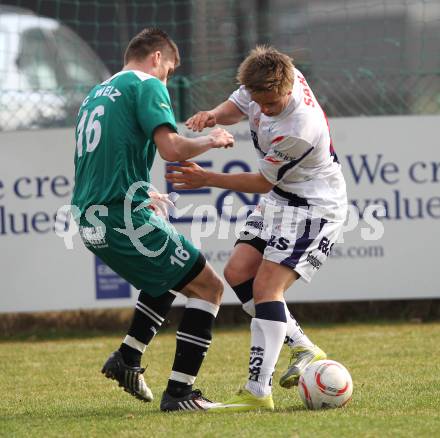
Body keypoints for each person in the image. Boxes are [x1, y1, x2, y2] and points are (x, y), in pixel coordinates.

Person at [166, 46, 347, 411]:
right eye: (259, 102)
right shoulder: (267, 81)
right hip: (283, 198)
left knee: (267, 286)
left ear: (287, 87)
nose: (264, 110)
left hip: (313, 207)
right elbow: (240, 103)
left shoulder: (299, 126)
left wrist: (206, 178)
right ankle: (302, 346)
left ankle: (257, 391)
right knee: (238, 271)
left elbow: (262, 181)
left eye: (271, 105)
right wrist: (213, 116)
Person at [72, 28, 234, 412]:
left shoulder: (97, 93)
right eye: (170, 70)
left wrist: (139, 189)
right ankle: (181, 393)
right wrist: (212, 140)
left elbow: (101, 158)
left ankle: (128, 358)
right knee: (209, 287)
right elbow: (172, 148)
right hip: (120, 216)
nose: (167, 80)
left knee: (165, 275)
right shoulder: (146, 83)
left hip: (90, 216)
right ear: (157, 58)